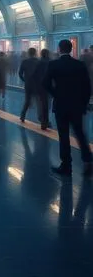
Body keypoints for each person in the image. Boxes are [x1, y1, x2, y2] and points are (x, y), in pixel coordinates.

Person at [43, 39, 92, 177]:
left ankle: (66, 166)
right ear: (71, 49)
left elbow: (45, 83)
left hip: (61, 105)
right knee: (80, 133)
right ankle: (88, 161)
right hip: (76, 105)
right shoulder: (80, 65)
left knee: (63, 136)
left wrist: (56, 94)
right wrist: (83, 103)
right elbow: (87, 87)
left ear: (59, 49)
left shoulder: (54, 65)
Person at [18, 47, 40, 123]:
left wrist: (25, 80)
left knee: (27, 101)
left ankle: (22, 116)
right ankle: (41, 119)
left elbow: (20, 74)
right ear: (35, 53)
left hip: (28, 84)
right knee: (38, 102)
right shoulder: (38, 61)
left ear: (28, 53)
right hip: (37, 85)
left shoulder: (24, 62)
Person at [34, 49, 51, 130]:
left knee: (41, 104)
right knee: (47, 105)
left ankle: (42, 120)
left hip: (40, 87)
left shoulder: (38, 63)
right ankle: (46, 120)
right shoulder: (51, 62)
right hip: (49, 87)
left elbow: (34, 75)